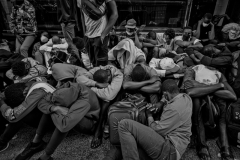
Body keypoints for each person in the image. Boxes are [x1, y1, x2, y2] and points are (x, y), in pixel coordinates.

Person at [16, 82, 100, 160]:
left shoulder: (84, 101)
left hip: (89, 122)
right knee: (52, 108)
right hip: (72, 111)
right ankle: (36, 143)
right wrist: (55, 108)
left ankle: (46, 156)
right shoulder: (67, 87)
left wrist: (51, 108)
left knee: (60, 117)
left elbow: (65, 125)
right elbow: (41, 102)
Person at [51, 63, 123, 148]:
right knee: (87, 92)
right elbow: (79, 79)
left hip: (114, 96)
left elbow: (108, 96)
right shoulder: (98, 69)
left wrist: (91, 88)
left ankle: (99, 129)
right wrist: (96, 84)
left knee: (106, 101)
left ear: (109, 78)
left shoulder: (118, 75)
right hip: (100, 91)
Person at [118, 79, 192, 160]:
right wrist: (161, 102)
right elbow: (170, 120)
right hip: (175, 148)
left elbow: (157, 130)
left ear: (165, 94)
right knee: (130, 147)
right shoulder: (186, 98)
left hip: (169, 150)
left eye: (164, 96)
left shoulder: (173, 108)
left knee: (124, 125)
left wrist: (149, 115)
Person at [183, 64, 237, 160]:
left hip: (214, 103)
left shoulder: (218, 73)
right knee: (197, 100)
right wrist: (218, 86)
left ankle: (224, 145)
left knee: (222, 102)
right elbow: (190, 91)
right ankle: (201, 143)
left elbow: (233, 96)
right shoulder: (193, 69)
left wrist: (203, 88)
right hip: (201, 102)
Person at [0, 81, 54, 153]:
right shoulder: (31, 83)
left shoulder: (37, 94)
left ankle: (1, 143)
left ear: (25, 93)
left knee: (20, 115)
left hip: (53, 122)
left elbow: (13, 116)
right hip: (50, 112)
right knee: (12, 105)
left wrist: (1, 103)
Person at [77, 0, 118, 67]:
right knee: (93, 64)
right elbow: (82, 16)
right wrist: (85, 34)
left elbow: (115, 14)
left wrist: (103, 35)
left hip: (100, 34)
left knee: (102, 66)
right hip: (88, 35)